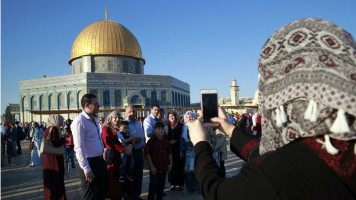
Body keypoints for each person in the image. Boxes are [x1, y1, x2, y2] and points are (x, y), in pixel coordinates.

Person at [189, 18, 356, 199]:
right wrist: (229, 129)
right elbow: (265, 154)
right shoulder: (340, 143)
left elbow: (217, 192)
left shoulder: (280, 174)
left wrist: (200, 143)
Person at [71, 94, 108, 200]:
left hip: (100, 161)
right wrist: (86, 169)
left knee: (102, 190)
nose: (99, 106)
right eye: (95, 104)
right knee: (89, 195)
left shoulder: (94, 120)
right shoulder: (79, 122)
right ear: (87, 105)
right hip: (89, 162)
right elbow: (78, 147)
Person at [101, 111, 133, 200]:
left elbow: (128, 138)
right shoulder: (106, 128)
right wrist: (123, 149)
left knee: (120, 177)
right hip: (112, 158)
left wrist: (130, 146)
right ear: (110, 118)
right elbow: (109, 143)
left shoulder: (120, 128)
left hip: (121, 157)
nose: (117, 119)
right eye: (115, 117)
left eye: (119, 118)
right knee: (112, 178)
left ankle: (119, 196)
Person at [43, 114, 68, 200]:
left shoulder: (48, 128)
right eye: (61, 121)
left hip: (49, 157)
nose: (61, 123)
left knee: (51, 179)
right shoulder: (54, 128)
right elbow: (55, 142)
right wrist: (64, 139)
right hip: (54, 158)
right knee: (56, 179)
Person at [146, 122, 172, 200]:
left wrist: (171, 164)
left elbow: (169, 153)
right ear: (154, 130)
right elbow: (148, 154)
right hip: (155, 168)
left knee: (161, 186)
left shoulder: (166, 141)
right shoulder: (151, 141)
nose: (161, 131)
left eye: (162, 129)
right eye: (158, 129)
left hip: (163, 167)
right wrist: (152, 166)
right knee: (153, 186)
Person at [125, 105, 145, 200]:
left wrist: (136, 139)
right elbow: (126, 139)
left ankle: (136, 195)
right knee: (130, 175)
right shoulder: (125, 124)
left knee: (138, 175)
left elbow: (141, 136)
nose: (132, 113)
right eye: (130, 111)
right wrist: (134, 139)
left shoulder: (137, 122)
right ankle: (129, 196)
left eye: (133, 111)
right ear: (126, 113)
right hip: (131, 153)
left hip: (139, 151)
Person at [180, 111, 200, 194]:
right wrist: (181, 151)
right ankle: (190, 188)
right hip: (187, 151)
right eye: (187, 117)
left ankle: (197, 188)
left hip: (196, 150)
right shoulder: (184, 128)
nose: (189, 119)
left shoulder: (198, 126)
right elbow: (182, 140)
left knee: (197, 170)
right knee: (188, 171)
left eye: (190, 117)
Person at [166, 111, 184, 191]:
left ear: (176, 117)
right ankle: (172, 183)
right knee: (171, 166)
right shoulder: (167, 126)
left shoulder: (180, 126)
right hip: (169, 149)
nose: (171, 119)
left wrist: (176, 141)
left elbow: (182, 138)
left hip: (178, 149)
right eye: (169, 117)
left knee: (179, 166)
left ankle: (180, 184)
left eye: (172, 117)